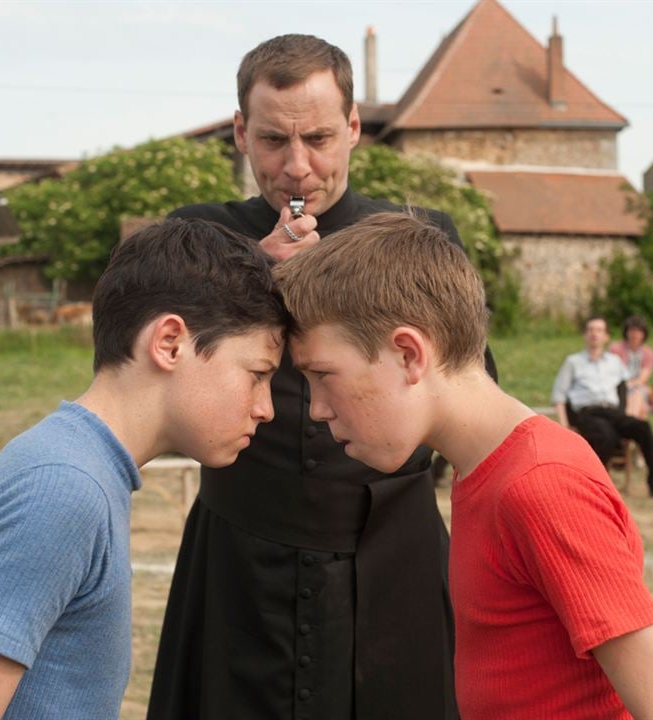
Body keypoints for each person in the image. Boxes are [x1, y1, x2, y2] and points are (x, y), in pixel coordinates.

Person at [149, 34, 490, 720]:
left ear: (355, 128)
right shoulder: (196, 237)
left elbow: (467, 394)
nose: (297, 167)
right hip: (238, 565)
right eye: (273, 140)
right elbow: (152, 372)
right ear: (240, 132)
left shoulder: (417, 236)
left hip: (396, 560)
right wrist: (250, 272)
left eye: (320, 139)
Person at [275, 212, 653, 720]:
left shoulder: (541, 485)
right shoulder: (482, 468)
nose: (317, 408)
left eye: (324, 375)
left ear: (408, 354)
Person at [0, 219, 287, 719]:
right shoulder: (62, 490)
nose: (267, 408)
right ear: (170, 342)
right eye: (257, 375)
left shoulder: (77, 469)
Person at [553, 316, 653, 501]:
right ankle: (593, 488)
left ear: (606, 337)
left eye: (599, 330)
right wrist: (565, 426)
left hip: (613, 412)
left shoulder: (615, 362)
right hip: (587, 412)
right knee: (606, 435)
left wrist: (630, 412)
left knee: (643, 427)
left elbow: (627, 389)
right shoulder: (573, 362)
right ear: (585, 335)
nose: (594, 334)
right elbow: (559, 396)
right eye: (591, 330)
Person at [608, 315, 653, 420]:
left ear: (643, 334)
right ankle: (631, 428)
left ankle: (629, 427)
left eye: (638, 332)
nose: (635, 335)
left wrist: (632, 385)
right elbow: (611, 373)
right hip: (617, 386)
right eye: (632, 331)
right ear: (626, 332)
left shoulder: (647, 353)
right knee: (641, 407)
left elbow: (643, 378)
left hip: (638, 386)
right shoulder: (616, 349)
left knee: (638, 395)